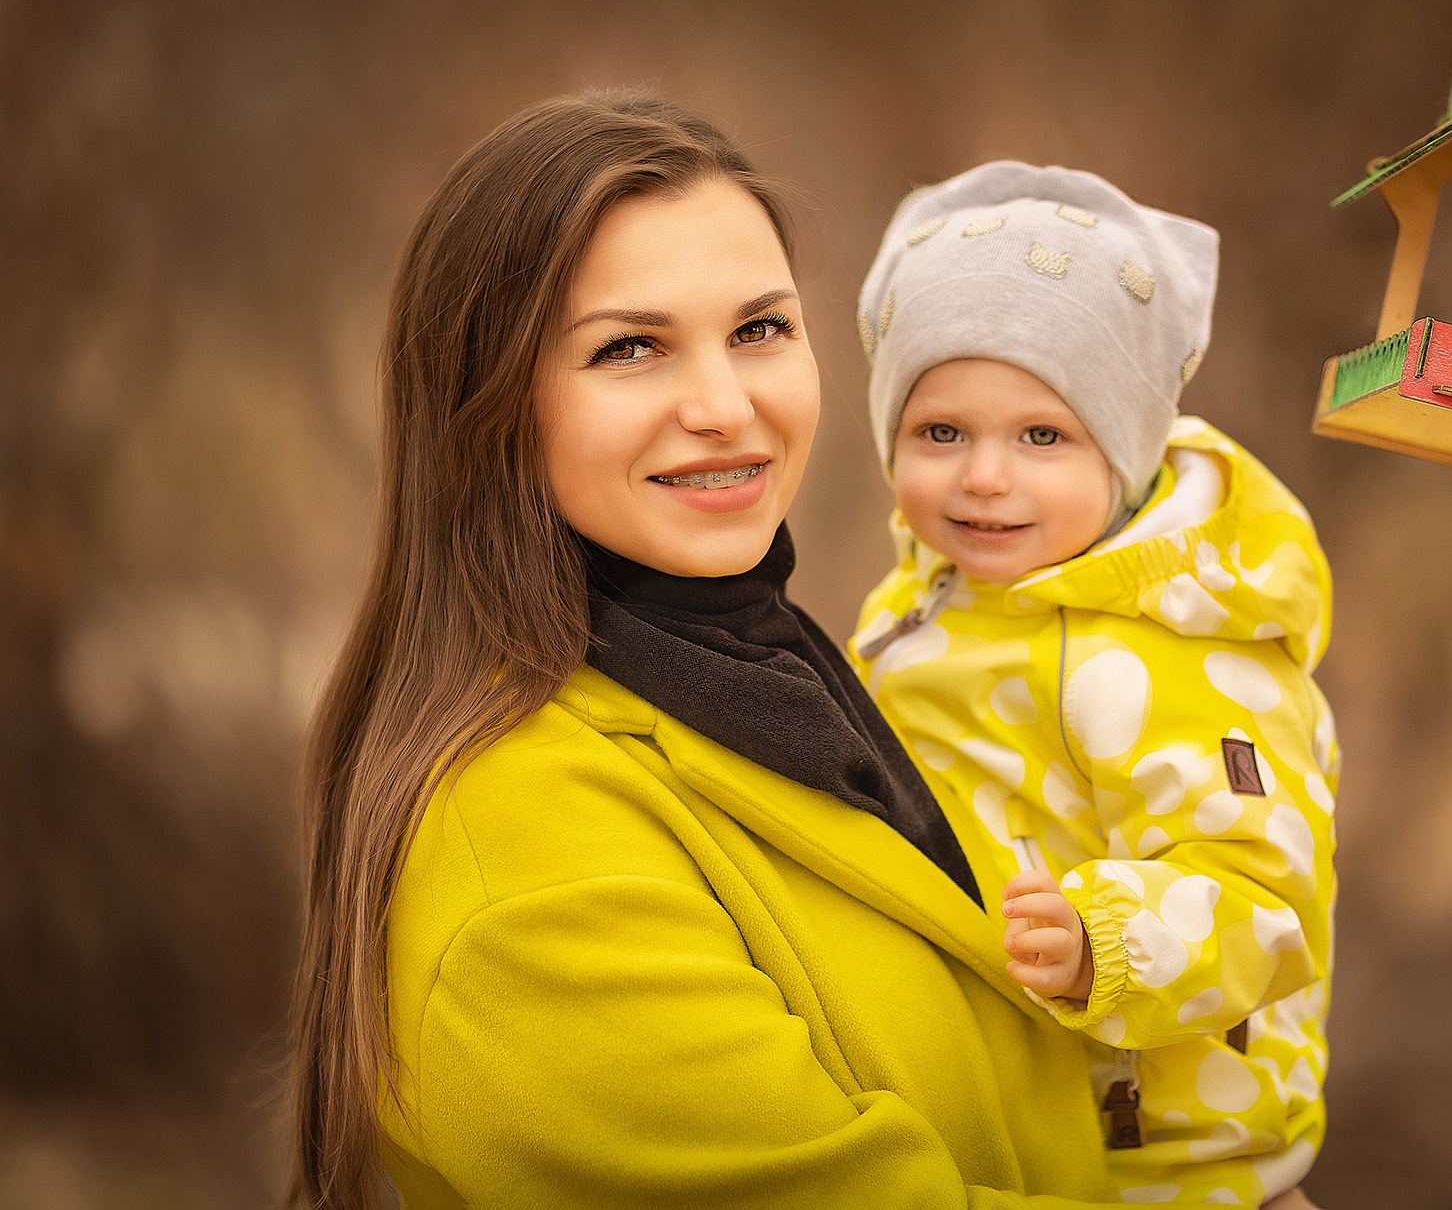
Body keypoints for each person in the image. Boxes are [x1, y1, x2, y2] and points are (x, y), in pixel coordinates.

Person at [288, 96, 1155, 1209]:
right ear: (488, 404)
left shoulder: (791, 675)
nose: (725, 404)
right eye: (630, 347)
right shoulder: (526, 874)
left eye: (758, 329)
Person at [848, 163, 1338, 1207]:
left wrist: (1102, 939)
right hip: (1008, 1129)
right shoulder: (928, 593)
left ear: (1122, 448)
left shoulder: (1181, 645)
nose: (983, 475)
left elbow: (1266, 900)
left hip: (1171, 1156)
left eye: (1040, 434)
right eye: (940, 431)